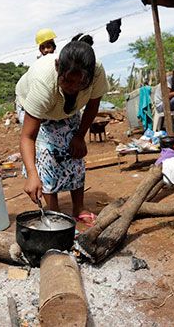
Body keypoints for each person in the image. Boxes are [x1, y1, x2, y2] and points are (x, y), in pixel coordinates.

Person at [16, 39, 109, 226]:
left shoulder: (97, 72)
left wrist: (80, 136)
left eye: (80, 83)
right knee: (47, 155)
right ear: (58, 67)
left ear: (90, 77)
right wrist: (33, 174)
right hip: (38, 109)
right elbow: (28, 136)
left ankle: (78, 208)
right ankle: (53, 212)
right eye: (67, 80)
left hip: (68, 109)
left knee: (74, 152)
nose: (73, 87)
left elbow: (92, 106)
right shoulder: (43, 83)